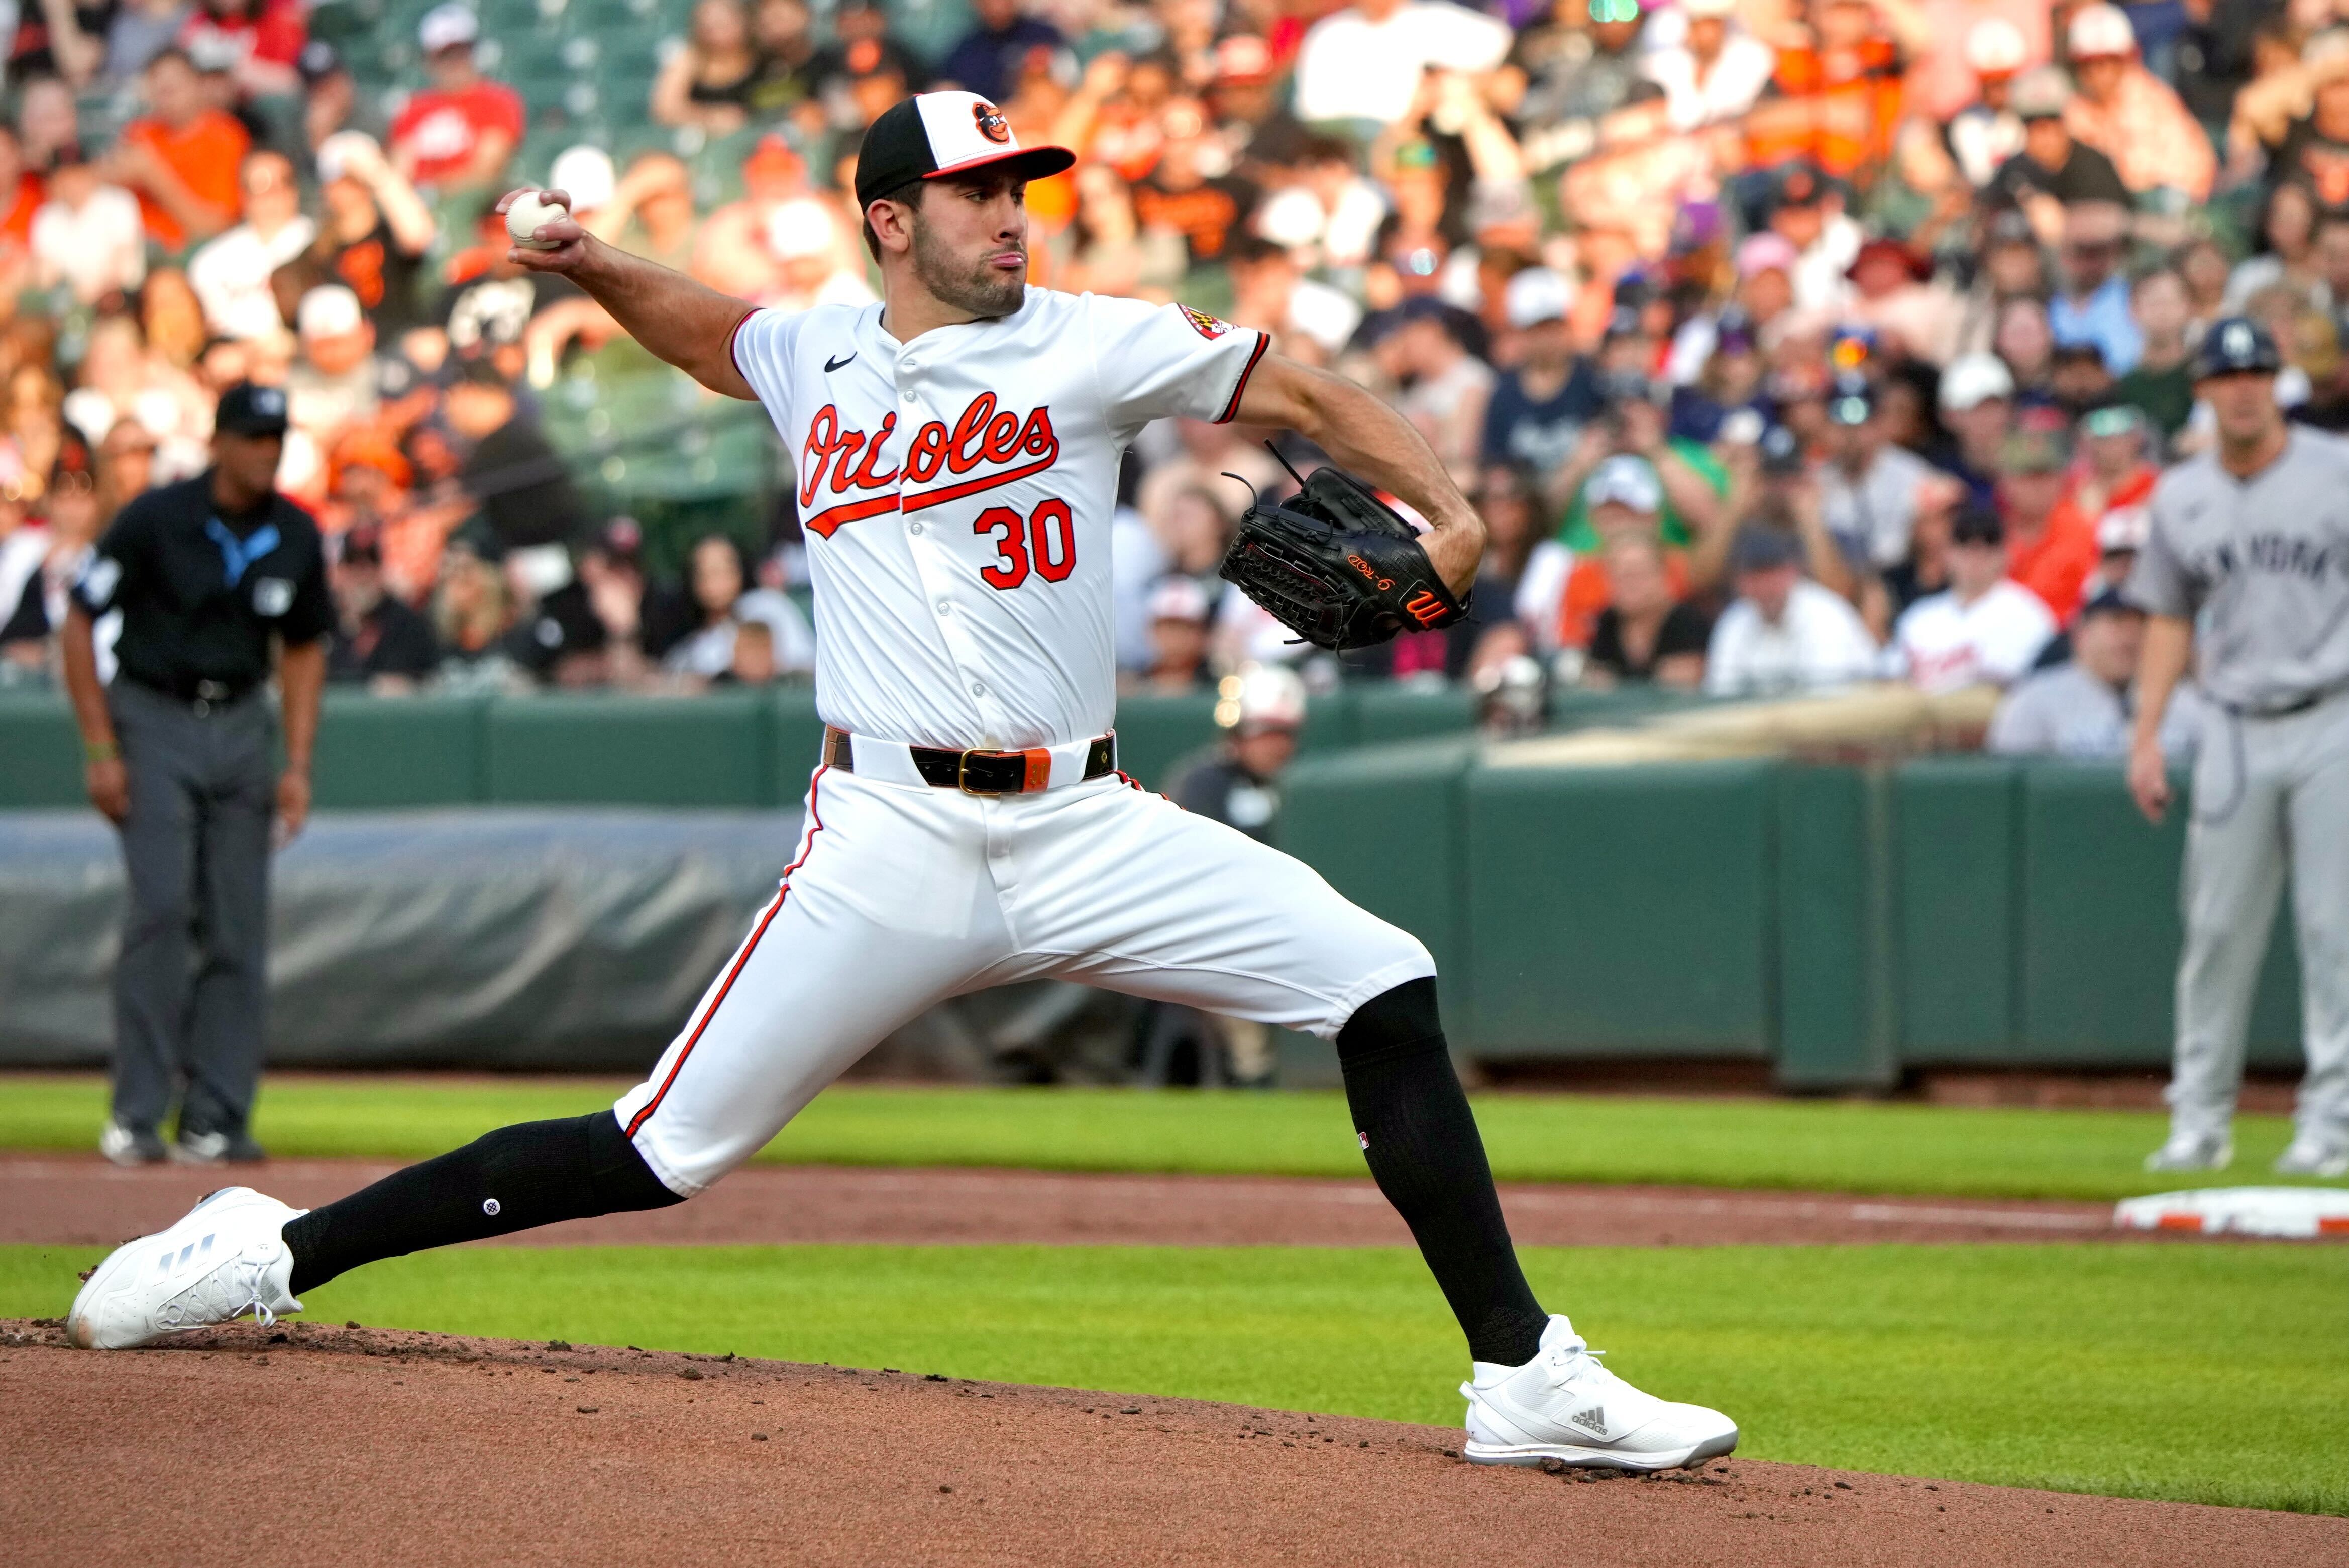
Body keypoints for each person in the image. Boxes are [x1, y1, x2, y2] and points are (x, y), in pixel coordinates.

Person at [67, 88, 1741, 1478]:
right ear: (889, 220)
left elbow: (1294, 380)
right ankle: (276, 1254)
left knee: (1383, 983)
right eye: (975, 195)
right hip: (887, 833)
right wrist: (589, 265)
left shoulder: (1090, 343)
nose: (1012, 218)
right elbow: (708, 331)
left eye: (1019, 191)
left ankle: (1519, 1376)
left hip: (1085, 821)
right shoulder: (810, 354)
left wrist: (1436, 507)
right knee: (659, 1152)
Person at [56, 382, 328, 1167]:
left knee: (239, 924)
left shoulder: (296, 532)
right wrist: (101, 748)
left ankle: (216, 1115)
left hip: (245, 722)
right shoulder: (156, 518)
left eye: (276, 438)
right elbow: (80, 620)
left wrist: (299, 763)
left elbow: (307, 649)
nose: (266, 451)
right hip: (154, 716)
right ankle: (135, 1113)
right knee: (164, 910)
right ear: (218, 441)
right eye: (252, 437)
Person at [2128, 317, 2349, 1180]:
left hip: (2334, 710)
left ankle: (2332, 1121)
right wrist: (2146, 735)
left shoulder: (2335, 470)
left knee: (2335, 929)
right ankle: (2199, 1122)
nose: (2244, 386)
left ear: (2277, 379)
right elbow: (2167, 616)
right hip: (2228, 722)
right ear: (2203, 390)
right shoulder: (2180, 493)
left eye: (2257, 370)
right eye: (2227, 375)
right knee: (2216, 929)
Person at [1165, 663, 1310, 1087]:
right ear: (1239, 733)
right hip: (1216, 929)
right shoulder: (1204, 781)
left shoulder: (1302, 784)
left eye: (1284, 733)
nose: (1275, 745)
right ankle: (1253, 1082)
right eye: (1265, 732)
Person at [1987, 588, 2200, 758]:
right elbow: (2006, 787)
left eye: (2141, 623)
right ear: (2081, 634)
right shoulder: (2035, 699)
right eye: (2117, 622)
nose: (2130, 635)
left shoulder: (2189, 702)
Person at [1884, 507, 2054, 693]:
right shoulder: (1920, 616)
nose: (1976, 552)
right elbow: (1889, 675)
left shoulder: (2028, 613)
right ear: (1948, 553)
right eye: (1964, 541)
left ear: (2006, 554)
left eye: (1989, 542)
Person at [1704, 525, 1879, 698]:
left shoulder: (1824, 615)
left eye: (1772, 572)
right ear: (1740, 581)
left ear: (1792, 572)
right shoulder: (1735, 622)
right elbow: (1720, 693)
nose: (1765, 586)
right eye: (1755, 576)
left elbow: (1827, 701)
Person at [389, 4, 524, 194]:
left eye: (461, 52)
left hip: (474, 208)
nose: (454, 62)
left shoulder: (498, 101)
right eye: (445, 55)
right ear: (429, 60)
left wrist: (430, 189)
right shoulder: (414, 109)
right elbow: (399, 173)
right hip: (417, 208)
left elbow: (485, 173)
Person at [323, 521, 437, 691]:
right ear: (338, 571)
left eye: (371, 563)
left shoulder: (406, 622)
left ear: (382, 570)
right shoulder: (323, 620)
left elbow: (427, 682)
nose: (363, 574)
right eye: (353, 564)